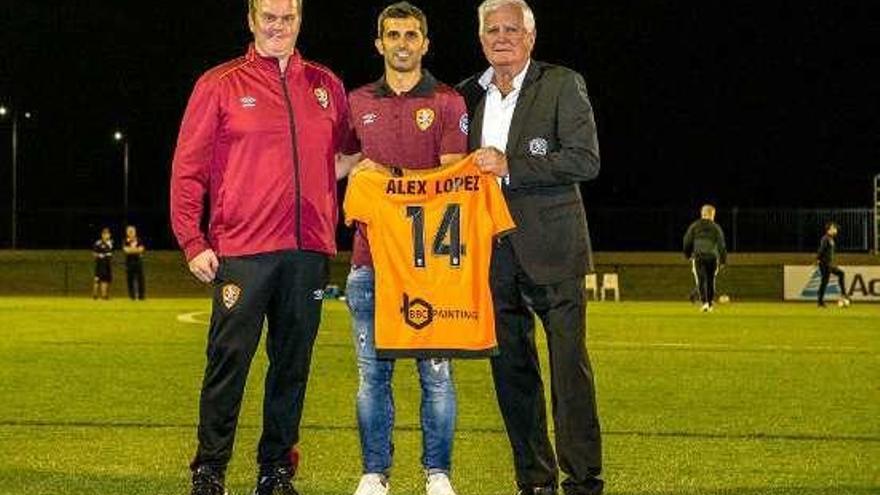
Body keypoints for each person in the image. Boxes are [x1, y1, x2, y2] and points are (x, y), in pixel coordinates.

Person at [169, 0, 358, 493]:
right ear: (251, 21)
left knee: (292, 364)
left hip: (309, 250)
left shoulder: (325, 85)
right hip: (243, 249)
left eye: (288, 18)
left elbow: (346, 155)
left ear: (300, 20)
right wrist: (192, 239)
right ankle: (210, 469)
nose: (278, 26)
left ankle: (275, 470)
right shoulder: (220, 83)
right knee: (228, 361)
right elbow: (188, 169)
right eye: (268, 18)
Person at [456, 1, 604, 493]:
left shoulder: (562, 84)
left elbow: (585, 160)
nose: (501, 37)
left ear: (531, 37)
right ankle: (534, 479)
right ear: (480, 39)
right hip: (491, 254)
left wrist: (511, 165)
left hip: (554, 250)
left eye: (511, 29)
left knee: (569, 371)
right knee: (512, 372)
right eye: (492, 30)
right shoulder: (465, 97)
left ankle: (582, 480)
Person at [343, 3, 468, 495]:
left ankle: (437, 474)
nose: (401, 42)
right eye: (392, 34)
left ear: (425, 43)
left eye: (411, 34)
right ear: (379, 43)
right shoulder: (355, 103)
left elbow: (451, 179)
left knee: (436, 376)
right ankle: (375, 473)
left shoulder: (447, 102)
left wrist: (387, 179)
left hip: (429, 268)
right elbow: (338, 163)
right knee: (372, 378)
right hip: (369, 262)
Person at [683, 204, 727, 312]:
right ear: (712, 215)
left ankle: (705, 303)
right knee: (711, 280)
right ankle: (710, 304)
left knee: (701, 280)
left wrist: (688, 254)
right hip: (712, 256)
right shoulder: (716, 227)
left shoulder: (695, 226)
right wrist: (722, 260)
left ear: (702, 214)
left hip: (699, 256)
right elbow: (721, 244)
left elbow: (687, 241)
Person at [816, 221, 850, 307]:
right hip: (824, 263)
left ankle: (843, 294)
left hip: (828, 263)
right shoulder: (825, 238)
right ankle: (821, 301)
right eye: (834, 228)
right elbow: (821, 249)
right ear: (829, 230)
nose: (835, 230)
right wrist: (818, 259)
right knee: (825, 281)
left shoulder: (830, 239)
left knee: (839, 274)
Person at [123, 225, 146, 300]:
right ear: (127, 233)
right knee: (130, 280)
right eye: (129, 231)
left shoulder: (139, 240)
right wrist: (136, 250)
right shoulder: (125, 241)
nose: (131, 233)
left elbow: (141, 249)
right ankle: (132, 297)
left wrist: (131, 250)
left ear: (135, 232)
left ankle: (141, 297)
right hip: (129, 263)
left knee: (141, 280)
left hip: (138, 262)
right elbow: (126, 250)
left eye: (132, 231)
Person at [92, 227, 113, 300]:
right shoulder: (98, 243)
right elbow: (94, 253)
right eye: (105, 234)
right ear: (102, 235)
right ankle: (95, 294)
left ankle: (105, 295)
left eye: (108, 234)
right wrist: (99, 255)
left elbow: (110, 253)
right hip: (100, 263)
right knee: (98, 279)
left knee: (106, 279)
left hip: (107, 263)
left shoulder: (110, 243)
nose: (106, 235)